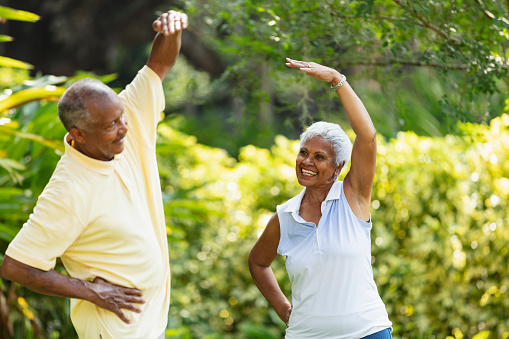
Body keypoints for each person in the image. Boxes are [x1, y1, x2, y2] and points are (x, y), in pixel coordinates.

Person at [0, 10, 188, 339]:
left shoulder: (127, 123)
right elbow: (16, 266)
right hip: (115, 332)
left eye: (121, 118)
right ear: (79, 134)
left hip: (148, 325)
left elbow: (158, 66)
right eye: (111, 126)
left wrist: (170, 31)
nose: (123, 129)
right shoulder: (67, 191)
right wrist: (92, 292)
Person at [248, 58, 393, 339]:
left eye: (319, 157)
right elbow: (258, 262)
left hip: (367, 332)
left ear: (339, 167)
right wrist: (283, 308)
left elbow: (367, 137)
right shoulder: (285, 216)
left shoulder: (354, 197)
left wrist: (337, 80)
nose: (307, 162)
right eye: (304, 152)